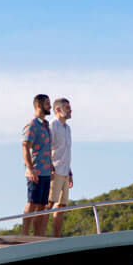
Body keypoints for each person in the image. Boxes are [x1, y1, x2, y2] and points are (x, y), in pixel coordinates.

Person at [22, 94, 53, 235]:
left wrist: (51, 166)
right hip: (35, 171)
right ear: (39, 105)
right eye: (47, 104)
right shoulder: (32, 125)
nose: (50, 106)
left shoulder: (46, 125)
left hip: (46, 172)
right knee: (32, 202)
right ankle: (24, 234)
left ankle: (38, 234)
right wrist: (30, 168)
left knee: (42, 205)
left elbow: (47, 148)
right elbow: (25, 147)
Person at [48, 97, 73, 237]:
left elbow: (66, 151)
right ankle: (40, 235)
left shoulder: (68, 129)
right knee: (49, 203)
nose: (70, 110)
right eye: (67, 108)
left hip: (65, 171)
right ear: (58, 110)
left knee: (62, 205)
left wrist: (70, 172)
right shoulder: (52, 125)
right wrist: (50, 167)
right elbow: (47, 147)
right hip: (55, 170)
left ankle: (56, 236)